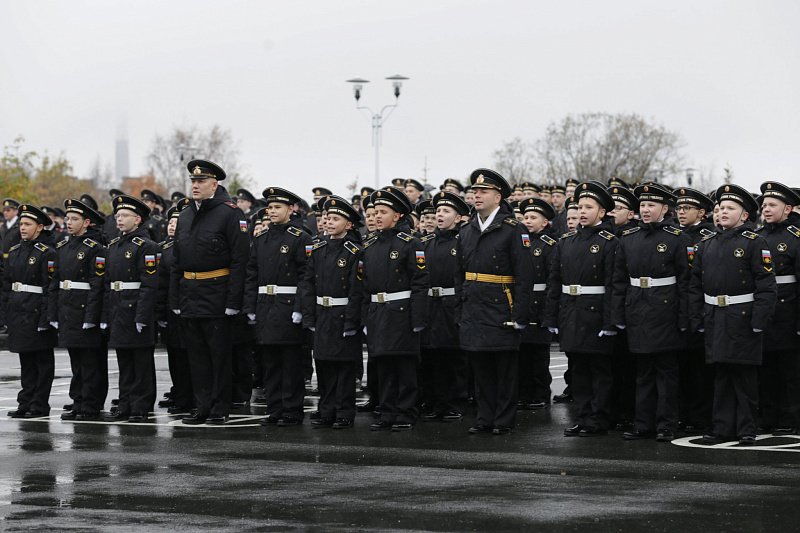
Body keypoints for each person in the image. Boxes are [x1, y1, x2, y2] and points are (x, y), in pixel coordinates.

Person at [690, 184, 777, 445]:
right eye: (720, 208)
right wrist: (698, 317)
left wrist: (759, 320)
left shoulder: (754, 243)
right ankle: (722, 427)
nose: (723, 212)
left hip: (743, 317)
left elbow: (766, 285)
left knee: (743, 376)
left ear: (745, 215)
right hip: (715, 316)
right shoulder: (706, 244)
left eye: (730, 208)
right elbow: (695, 285)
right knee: (722, 374)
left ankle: (746, 428)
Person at [170, 160, 250, 425]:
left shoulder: (230, 213)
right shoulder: (185, 214)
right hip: (190, 292)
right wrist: (175, 298)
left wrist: (233, 301)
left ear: (214, 185)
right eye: (193, 181)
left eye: (201, 181)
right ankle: (202, 406)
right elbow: (177, 259)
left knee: (219, 356)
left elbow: (240, 260)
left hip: (217, 292)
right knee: (196, 357)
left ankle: (219, 408)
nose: (195, 185)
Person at [612, 184, 691, 442]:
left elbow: (686, 281)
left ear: (665, 208)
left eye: (651, 205)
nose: (645, 210)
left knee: (666, 372)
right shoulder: (629, 237)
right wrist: (618, 315)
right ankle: (643, 423)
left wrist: (684, 317)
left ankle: (666, 424)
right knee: (643, 371)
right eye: (643, 205)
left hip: (666, 310)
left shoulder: (677, 238)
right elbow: (619, 280)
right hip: (637, 308)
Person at [457, 169, 533, 435]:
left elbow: (525, 275)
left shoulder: (513, 229)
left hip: (502, 306)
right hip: (474, 306)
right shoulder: (467, 230)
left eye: (483, 191)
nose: (477, 196)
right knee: (480, 366)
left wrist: (520, 314)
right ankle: (484, 417)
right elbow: (459, 274)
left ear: (498, 196)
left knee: (504, 368)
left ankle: (503, 419)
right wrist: (460, 308)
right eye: (475, 191)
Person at [544, 181, 619, 437]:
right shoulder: (566, 242)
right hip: (571, 312)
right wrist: (552, 317)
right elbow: (555, 282)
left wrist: (610, 321)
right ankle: (583, 416)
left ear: (602, 212)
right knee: (578, 370)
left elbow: (613, 285)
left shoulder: (609, 242)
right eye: (579, 207)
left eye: (589, 207)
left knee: (599, 371)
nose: (582, 212)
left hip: (595, 314)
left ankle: (599, 418)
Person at [361, 188, 429, 431]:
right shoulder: (369, 244)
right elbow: (364, 285)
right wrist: (365, 318)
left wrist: (418, 318)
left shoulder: (410, 243)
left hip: (402, 312)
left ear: (398, 215)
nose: (377, 216)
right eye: (375, 212)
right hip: (378, 312)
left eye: (383, 212)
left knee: (404, 365)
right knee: (384, 365)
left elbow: (420, 282)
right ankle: (387, 411)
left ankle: (406, 412)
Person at [244, 187, 312, 426]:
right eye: (270, 207)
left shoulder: (300, 238)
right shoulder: (260, 238)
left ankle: (292, 410)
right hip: (265, 305)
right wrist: (250, 306)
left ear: (291, 209)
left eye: (277, 207)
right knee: (270, 362)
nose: (272, 211)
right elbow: (251, 274)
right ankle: (275, 409)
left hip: (288, 306)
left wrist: (300, 307)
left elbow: (306, 276)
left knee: (290, 362)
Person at [299, 196, 364, 429]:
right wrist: (309, 316)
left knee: (344, 366)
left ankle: (344, 411)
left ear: (349, 224)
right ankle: (326, 409)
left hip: (343, 313)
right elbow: (308, 283)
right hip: (322, 313)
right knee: (323, 363)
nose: (329, 222)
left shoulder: (354, 251)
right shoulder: (318, 248)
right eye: (327, 218)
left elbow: (357, 290)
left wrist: (352, 321)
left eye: (336, 219)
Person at [101, 195, 158, 423]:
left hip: (136, 309)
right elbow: (107, 282)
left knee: (140, 362)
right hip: (118, 308)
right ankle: (125, 403)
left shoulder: (146, 246)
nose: (119, 219)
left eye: (125, 215)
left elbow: (149, 284)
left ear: (138, 219)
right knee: (124, 361)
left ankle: (140, 405)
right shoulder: (114, 246)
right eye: (118, 215)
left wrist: (142, 315)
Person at [51, 198, 107, 421]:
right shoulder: (63, 247)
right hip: (68, 309)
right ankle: (78, 401)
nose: (69, 222)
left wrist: (91, 316)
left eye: (74, 219)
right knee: (76, 361)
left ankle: (90, 404)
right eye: (67, 218)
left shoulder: (95, 249)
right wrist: (54, 313)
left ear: (86, 223)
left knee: (89, 362)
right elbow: (55, 283)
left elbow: (97, 285)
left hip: (85, 309)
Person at [418, 191, 470, 421]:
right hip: (430, 304)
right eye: (438, 211)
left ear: (458, 218)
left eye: (446, 211)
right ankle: (432, 401)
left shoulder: (463, 242)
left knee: (453, 357)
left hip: (452, 305)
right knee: (430, 355)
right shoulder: (426, 243)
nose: (440, 215)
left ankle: (453, 403)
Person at [2, 204, 57, 418]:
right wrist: (6, 313)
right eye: (21, 224)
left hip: (36, 310)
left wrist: (46, 318)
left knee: (41, 361)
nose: (23, 228)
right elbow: (7, 284)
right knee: (25, 360)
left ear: (40, 227)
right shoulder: (15, 251)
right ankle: (25, 401)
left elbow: (50, 288)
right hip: (19, 309)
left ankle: (39, 404)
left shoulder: (47, 253)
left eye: (28, 224)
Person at [755, 181, 800, 434]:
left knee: (788, 370)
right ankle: (768, 415)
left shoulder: (795, 238)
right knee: (766, 368)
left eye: (773, 205)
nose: (766, 209)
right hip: (764, 310)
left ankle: (789, 417)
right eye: (764, 205)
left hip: (788, 310)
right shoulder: (758, 236)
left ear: (788, 209)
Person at [674, 187, 716, 432]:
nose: (681, 212)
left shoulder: (707, 236)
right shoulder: (674, 234)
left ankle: (701, 415)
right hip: (677, 305)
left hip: (699, 304)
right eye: (679, 208)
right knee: (682, 366)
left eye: (687, 208)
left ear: (701, 212)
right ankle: (685, 412)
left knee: (700, 367)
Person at [156, 199, 194, 414]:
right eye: (170, 221)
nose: (172, 225)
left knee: (191, 356)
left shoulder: (190, 246)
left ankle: (191, 397)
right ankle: (179, 394)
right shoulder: (164, 248)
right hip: (171, 309)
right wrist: (161, 311)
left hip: (189, 305)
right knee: (175, 356)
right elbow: (161, 284)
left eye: (177, 222)